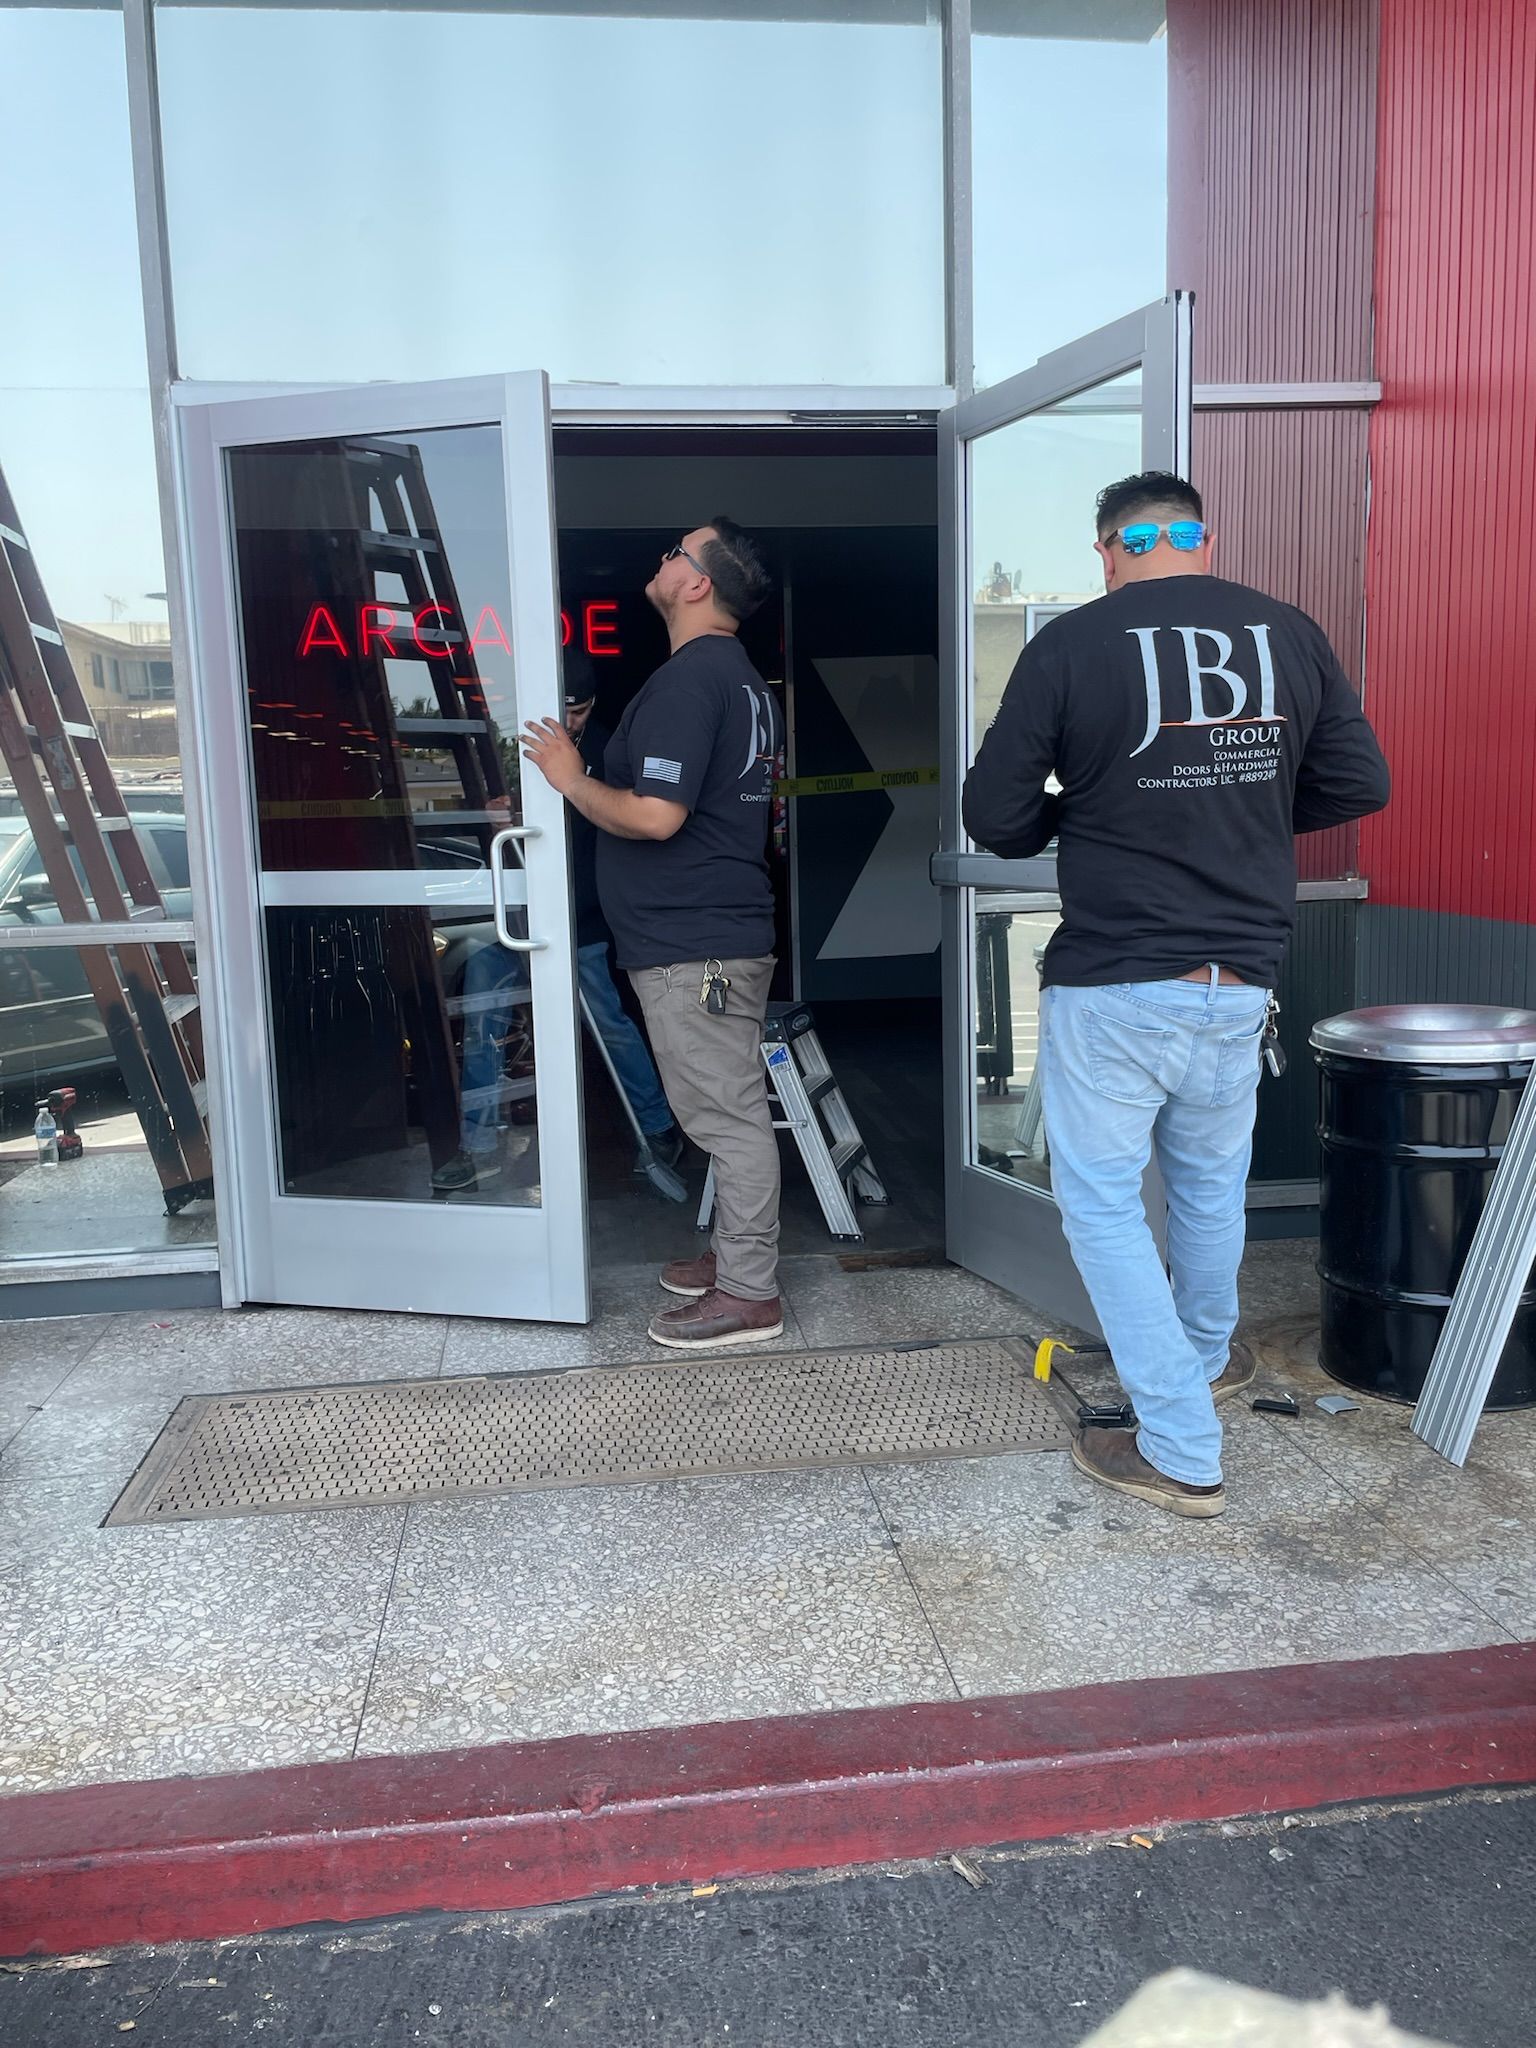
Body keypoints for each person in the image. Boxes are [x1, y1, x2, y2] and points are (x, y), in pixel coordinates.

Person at [963, 472, 1390, 1520]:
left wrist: (1090, 809)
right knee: (1206, 1191)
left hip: (1117, 981)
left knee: (1104, 1209)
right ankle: (1200, 1363)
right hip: (1238, 983)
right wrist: (1243, 807)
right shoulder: (1288, 632)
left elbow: (996, 815)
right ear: (1201, 538)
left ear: (1109, 549)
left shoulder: (1071, 644)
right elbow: (1360, 783)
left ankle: (1183, 1447)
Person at [523, 518, 783, 1350]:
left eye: (676, 552)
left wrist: (570, 778)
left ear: (697, 583)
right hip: (705, 936)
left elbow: (656, 816)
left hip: (693, 945)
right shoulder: (739, 680)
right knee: (720, 1107)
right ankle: (735, 1256)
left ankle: (749, 1292)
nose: (663, 559)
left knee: (726, 1118)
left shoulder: (689, 681)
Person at [433, 650, 682, 1194]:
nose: (569, 721)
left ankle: (658, 1127)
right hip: (518, 919)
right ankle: (476, 1147)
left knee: (610, 1025)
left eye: (580, 710)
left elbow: (624, 832)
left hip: (580, 920)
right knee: (481, 1022)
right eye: (562, 709)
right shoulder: (518, 742)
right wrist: (500, 816)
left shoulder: (612, 749)